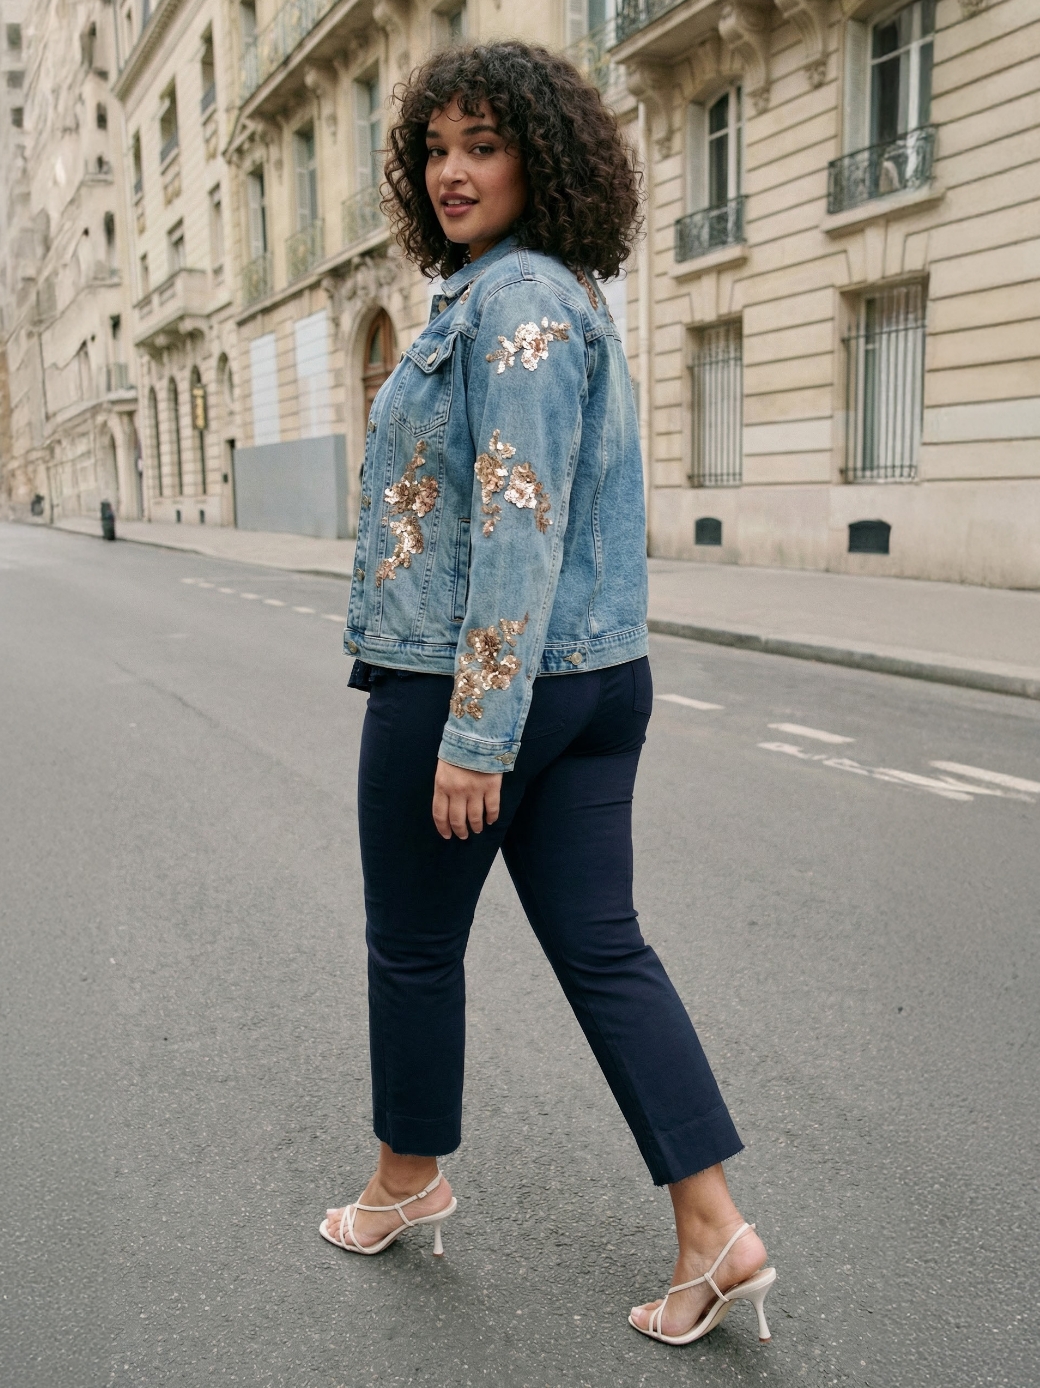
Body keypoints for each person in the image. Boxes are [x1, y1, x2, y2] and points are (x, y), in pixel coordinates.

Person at [319, 41, 776, 1347]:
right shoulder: (560, 291)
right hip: (597, 679)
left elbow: (518, 523)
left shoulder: (512, 302)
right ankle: (713, 1229)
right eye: (435, 150)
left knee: (415, 947)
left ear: (542, 158)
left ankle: (406, 1180)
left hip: (475, 684)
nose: (451, 173)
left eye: (483, 145)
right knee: (604, 948)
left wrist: (476, 731)